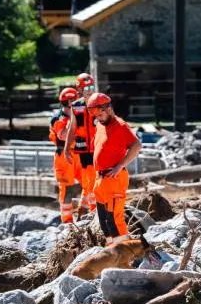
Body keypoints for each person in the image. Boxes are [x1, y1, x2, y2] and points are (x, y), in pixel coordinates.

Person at [88, 92, 141, 244]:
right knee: (104, 221)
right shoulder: (100, 124)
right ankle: (112, 252)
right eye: (96, 116)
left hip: (114, 178)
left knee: (115, 220)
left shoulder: (120, 126)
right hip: (100, 179)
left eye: (100, 115)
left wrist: (120, 166)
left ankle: (125, 254)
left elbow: (137, 145)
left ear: (108, 109)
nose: (98, 118)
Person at [51, 87, 81, 223]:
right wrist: (73, 121)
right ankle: (67, 221)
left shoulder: (81, 114)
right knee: (67, 188)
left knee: (89, 182)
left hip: (79, 153)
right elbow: (62, 136)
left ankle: (85, 211)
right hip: (63, 155)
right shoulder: (58, 118)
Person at [71, 73, 98, 212]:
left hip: (97, 148)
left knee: (94, 178)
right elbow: (72, 128)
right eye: (86, 87)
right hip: (83, 150)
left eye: (91, 86)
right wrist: (65, 149)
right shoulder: (76, 106)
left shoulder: (100, 103)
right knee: (88, 180)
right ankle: (85, 207)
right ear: (79, 90)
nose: (89, 89)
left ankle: (93, 209)